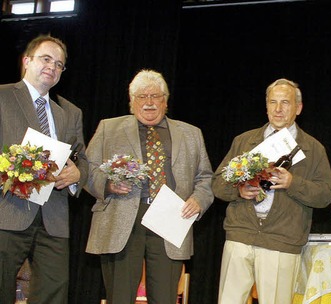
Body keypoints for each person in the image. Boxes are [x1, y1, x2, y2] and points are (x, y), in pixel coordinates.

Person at [83, 69, 214, 304]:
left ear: (166, 101)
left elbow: (205, 178)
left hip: (171, 220)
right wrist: (109, 185)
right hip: (122, 220)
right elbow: (87, 170)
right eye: (142, 97)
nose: (149, 103)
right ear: (131, 102)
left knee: (164, 297)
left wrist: (199, 200)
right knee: (119, 298)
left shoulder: (191, 134)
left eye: (156, 96)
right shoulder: (108, 128)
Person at [212, 78, 331, 304]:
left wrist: (293, 183)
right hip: (241, 235)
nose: (278, 109)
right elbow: (218, 183)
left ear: (298, 108)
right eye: (273, 102)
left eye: (285, 103)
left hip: (282, 240)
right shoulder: (244, 141)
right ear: (266, 106)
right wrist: (239, 189)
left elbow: (326, 195)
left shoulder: (313, 148)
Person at [0, 34, 87, 304]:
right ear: (27, 61)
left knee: (53, 292)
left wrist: (77, 175)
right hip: (7, 211)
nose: (52, 66)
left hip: (54, 218)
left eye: (59, 64)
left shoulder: (70, 112)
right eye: (46, 59)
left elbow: (81, 157)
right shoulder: (2, 96)